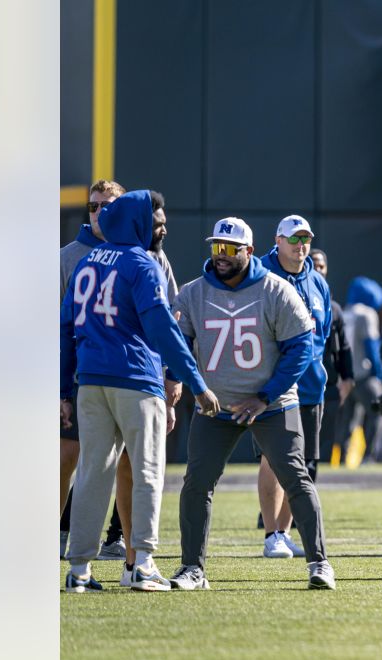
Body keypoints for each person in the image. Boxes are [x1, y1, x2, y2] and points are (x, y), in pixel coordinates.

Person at [60, 189, 218, 592]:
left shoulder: (86, 262)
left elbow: (66, 331)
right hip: (134, 379)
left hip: (91, 383)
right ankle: (141, 564)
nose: (161, 224)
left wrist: (64, 389)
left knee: (93, 473)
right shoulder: (142, 263)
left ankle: (79, 570)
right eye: (155, 217)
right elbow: (162, 330)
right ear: (135, 220)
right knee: (147, 471)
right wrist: (196, 384)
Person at [171, 217, 335, 590]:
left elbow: (301, 348)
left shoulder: (276, 290)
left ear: (248, 250)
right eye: (216, 247)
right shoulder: (193, 292)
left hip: (272, 404)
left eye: (230, 249)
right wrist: (192, 386)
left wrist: (265, 396)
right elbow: (177, 346)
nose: (222, 255)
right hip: (216, 405)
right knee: (197, 483)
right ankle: (192, 568)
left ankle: (319, 563)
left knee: (296, 477)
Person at [255, 216, 335, 559]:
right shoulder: (260, 275)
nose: (300, 245)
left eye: (305, 239)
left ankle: (284, 533)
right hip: (273, 386)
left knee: (303, 463)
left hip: (312, 385)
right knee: (273, 459)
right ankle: (271, 532)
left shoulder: (318, 282)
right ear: (278, 240)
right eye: (293, 239)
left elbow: (324, 332)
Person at [59, 179, 128, 560]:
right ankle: (59, 532)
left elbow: (169, 313)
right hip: (79, 376)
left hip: (129, 377)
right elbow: (57, 325)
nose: (99, 212)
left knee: (127, 462)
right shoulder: (68, 257)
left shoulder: (141, 253)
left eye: (107, 205)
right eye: (93, 205)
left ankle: (119, 538)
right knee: (70, 456)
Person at [309, 249, 355, 465]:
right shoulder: (296, 299)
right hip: (305, 383)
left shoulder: (333, 308)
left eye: (322, 266)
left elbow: (344, 347)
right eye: (314, 264)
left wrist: (348, 378)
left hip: (330, 383)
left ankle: (322, 485)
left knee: (326, 439)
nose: (318, 269)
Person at [339, 276, 382, 464]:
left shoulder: (344, 312)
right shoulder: (367, 314)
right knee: (380, 412)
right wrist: (378, 374)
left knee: (349, 421)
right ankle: (371, 457)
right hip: (364, 375)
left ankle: (342, 459)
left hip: (346, 377)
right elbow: (372, 348)